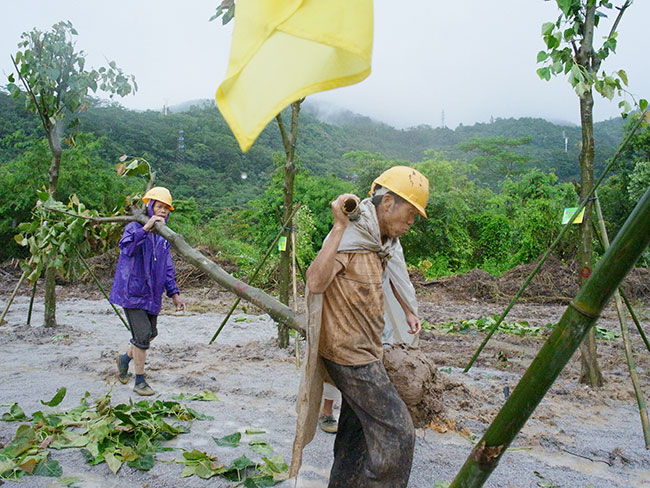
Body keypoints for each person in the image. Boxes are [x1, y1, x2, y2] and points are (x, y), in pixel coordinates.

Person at [291, 166, 429, 487]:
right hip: (348, 355)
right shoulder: (353, 234)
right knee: (397, 433)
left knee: (357, 434)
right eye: (410, 213)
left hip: (368, 349)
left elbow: (397, 280)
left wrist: (409, 311)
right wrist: (339, 226)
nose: (411, 222)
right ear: (388, 203)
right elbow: (314, 282)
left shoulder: (381, 243)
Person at [110, 187, 186, 396]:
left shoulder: (163, 237)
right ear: (150, 207)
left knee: (150, 334)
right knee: (142, 335)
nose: (162, 212)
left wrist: (174, 294)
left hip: (152, 294)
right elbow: (126, 249)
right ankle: (140, 381)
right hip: (132, 291)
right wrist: (146, 228)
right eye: (159, 207)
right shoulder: (134, 227)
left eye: (166, 208)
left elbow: (167, 268)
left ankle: (125, 358)